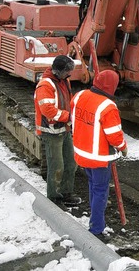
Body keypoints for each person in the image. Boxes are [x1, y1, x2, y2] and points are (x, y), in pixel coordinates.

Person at [71, 70, 127, 240]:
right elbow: (114, 135)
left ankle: (95, 216)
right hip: (99, 158)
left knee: (93, 186)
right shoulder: (108, 106)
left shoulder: (79, 95)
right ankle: (96, 229)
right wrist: (123, 147)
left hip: (82, 153)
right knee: (100, 191)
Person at [34, 55, 81, 206]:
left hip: (64, 129)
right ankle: (54, 196)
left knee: (71, 162)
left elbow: (69, 99)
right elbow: (48, 110)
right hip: (51, 132)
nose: (70, 74)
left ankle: (66, 192)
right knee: (56, 165)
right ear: (58, 71)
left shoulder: (63, 80)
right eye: (68, 71)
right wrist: (69, 117)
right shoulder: (45, 85)